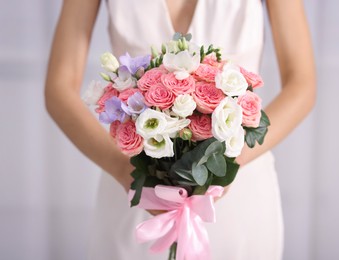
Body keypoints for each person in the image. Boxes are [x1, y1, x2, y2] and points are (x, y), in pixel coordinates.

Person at [45, 0, 316, 259]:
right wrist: (125, 172)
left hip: (240, 187)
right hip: (134, 186)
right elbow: (59, 88)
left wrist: (223, 165)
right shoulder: (128, 175)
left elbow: (302, 84)